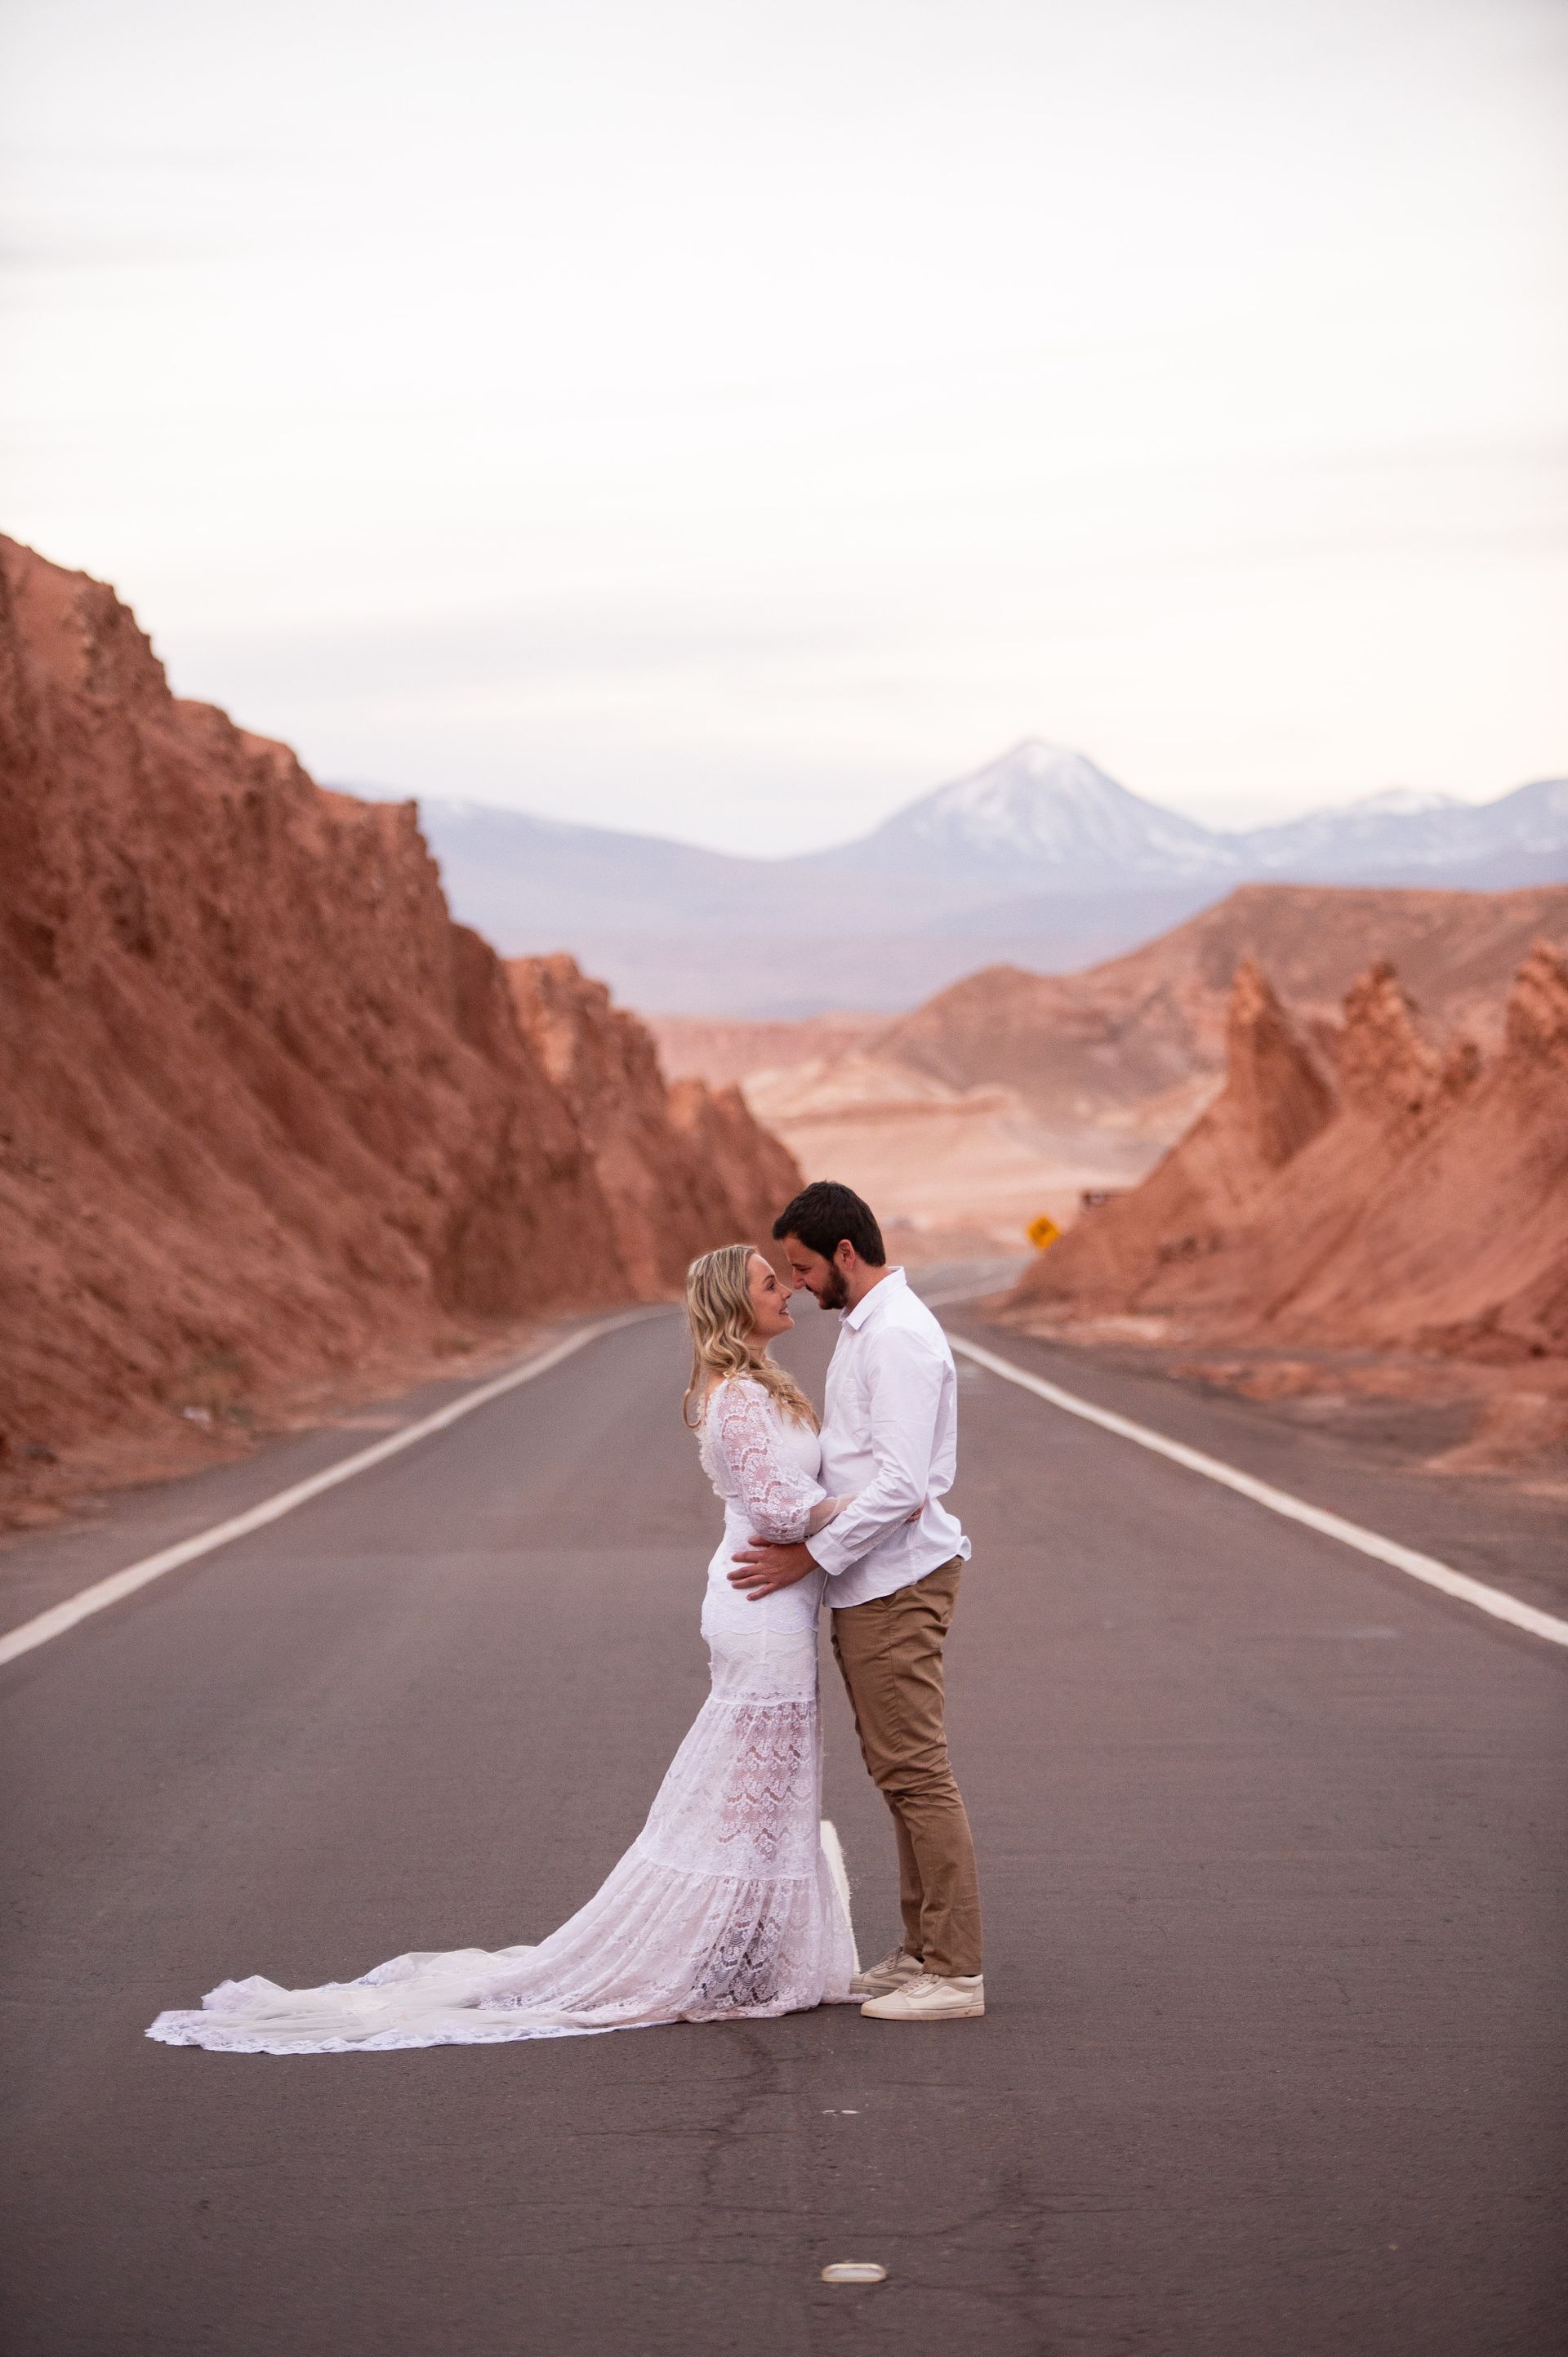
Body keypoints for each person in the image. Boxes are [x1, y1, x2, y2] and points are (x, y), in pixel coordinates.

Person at [146, 1245, 856, 2054]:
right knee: (752, 1788)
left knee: (770, 1784)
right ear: (736, 1306)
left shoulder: (764, 1388)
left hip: (780, 1607)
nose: (788, 1289)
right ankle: (726, 1963)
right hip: (759, 1608)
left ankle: (752, 1957)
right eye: (772, 1283)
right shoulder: (735, 1400)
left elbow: (797, 1500)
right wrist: (880, 1501)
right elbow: (780, 1510)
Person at [730, 1180, 984, 2023]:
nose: (797, 1284)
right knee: (896, 1771)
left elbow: (905, 1486)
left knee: (918, 1772)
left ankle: (954, 1972)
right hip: (871, 1579)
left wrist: (808, 1554)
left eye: (803, 1268)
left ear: (846, 1252)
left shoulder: (900, 1337)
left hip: (899, 1578)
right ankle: (919, 1951)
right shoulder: (869, 1329)